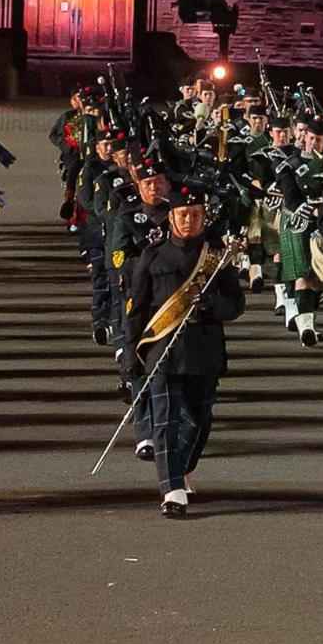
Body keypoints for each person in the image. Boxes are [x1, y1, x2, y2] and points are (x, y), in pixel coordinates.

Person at [116, 179, 246, 516]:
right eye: (183, 215)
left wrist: (211, 304)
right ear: (171, 218)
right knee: (166, 420)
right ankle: (171, 488)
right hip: (164, 352)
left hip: (204, 352)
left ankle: (180, 467)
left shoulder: (215, 258)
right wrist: (130, 356)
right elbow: (136, 310)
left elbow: (236, 304)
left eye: (196, 215)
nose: (189, 220)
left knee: (199, 421)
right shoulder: (152, 256)